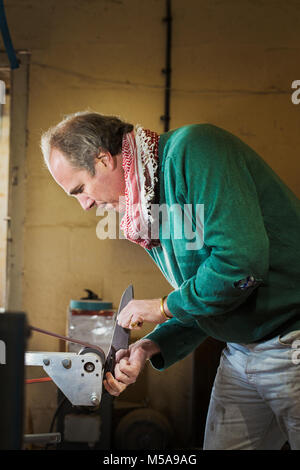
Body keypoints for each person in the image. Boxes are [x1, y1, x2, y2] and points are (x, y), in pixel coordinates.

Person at [41, 111, 300, 450]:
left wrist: (163, 306)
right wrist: (148, 346)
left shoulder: (194, 151)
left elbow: (240, 265)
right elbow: (210, 296)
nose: (85, 205)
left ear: (103, 159)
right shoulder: (145, 206)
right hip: (240, 351)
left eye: (80, 189)